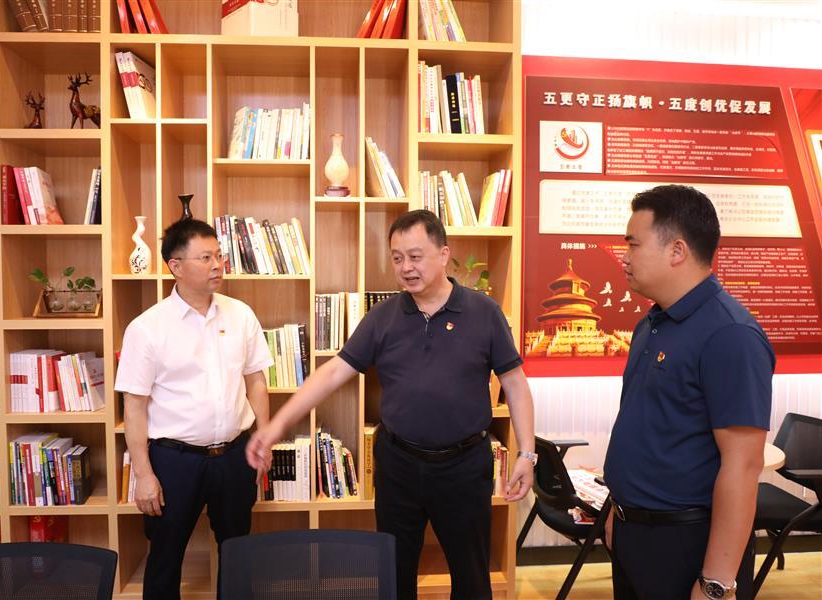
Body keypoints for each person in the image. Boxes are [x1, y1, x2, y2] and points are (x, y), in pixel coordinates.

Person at [246, 209, 537, 599]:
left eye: (415, 256)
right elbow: (332, 373)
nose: (405, 268)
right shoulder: (383, 316)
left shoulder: (484, 312)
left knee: (471, 578)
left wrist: (527, 454)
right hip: (399, 466)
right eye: (397, 258)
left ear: (444, 254)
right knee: (394, 575)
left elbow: (515, 385)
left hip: (464, 468)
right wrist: (276, 425)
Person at [603, 185, 774, 600]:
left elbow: (743, 465)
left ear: (676, 250)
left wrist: (716, 582)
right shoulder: (652, 323)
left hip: (685, 541)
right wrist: (616, 509)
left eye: (634, 244)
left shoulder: (730, 335)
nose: (624, 256)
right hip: (632, 533)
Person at [115, 219, 273, 600]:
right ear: (176, 266)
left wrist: (263, 441)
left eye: (219, 255)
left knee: (237, 554)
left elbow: (256, 381)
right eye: (205, 258)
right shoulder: (147, 328)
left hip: (234, 455)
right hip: (174, 461)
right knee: (165, 557)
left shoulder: (241, 315)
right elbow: (134, 407)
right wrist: (143, 474)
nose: (217, 264)